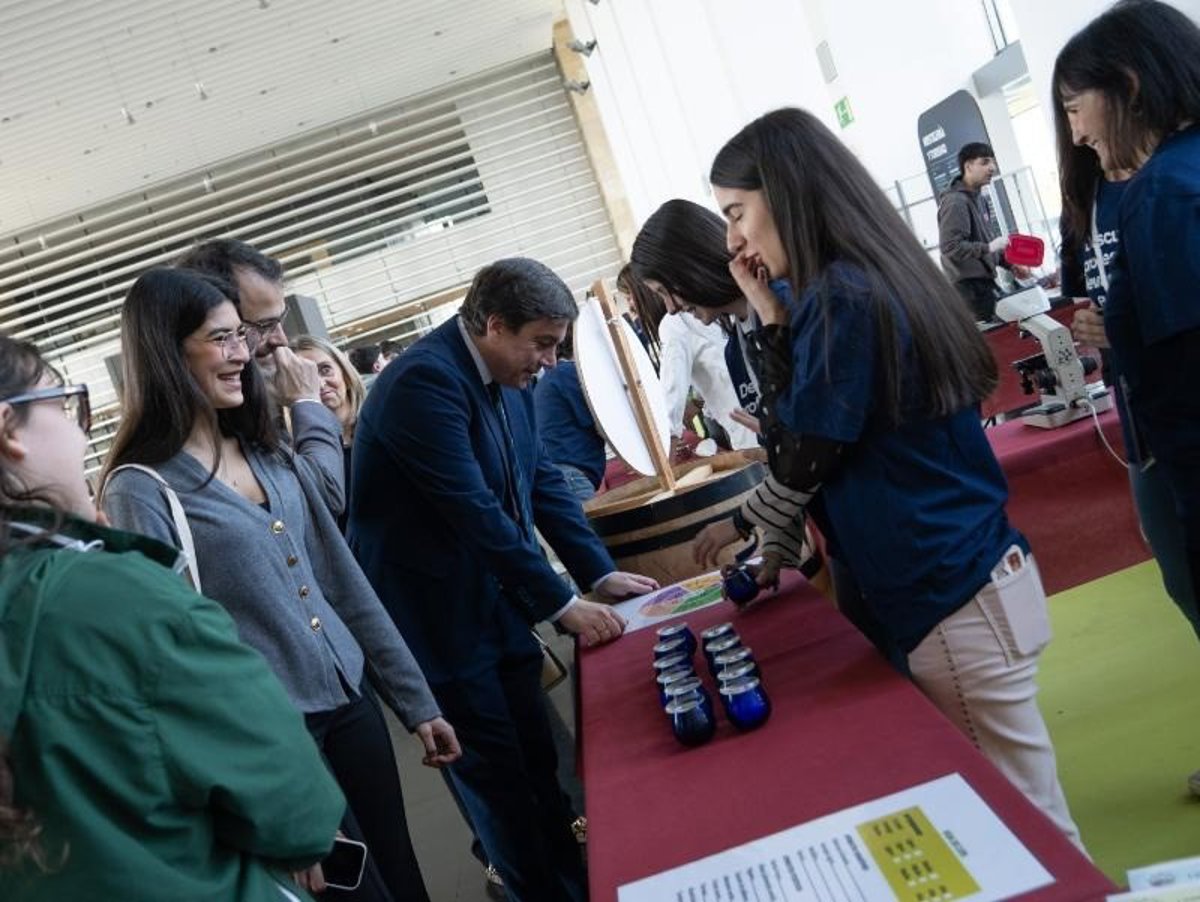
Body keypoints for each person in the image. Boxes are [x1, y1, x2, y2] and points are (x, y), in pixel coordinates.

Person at [703, 106, 1084, 849]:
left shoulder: (844, 297)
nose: (732, 240)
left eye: (737, 212)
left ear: (786, 194)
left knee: (1032, 835)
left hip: (952, 593)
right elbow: (806, 433)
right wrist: (770, 319)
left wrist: (748, 520)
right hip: (969, 580)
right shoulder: (856, 282)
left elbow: (807, 448)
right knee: (1021, 822)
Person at [100, 268, 460, 902]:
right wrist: (253, 801)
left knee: (403, 876)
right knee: (356, 894)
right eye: (222, 339)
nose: (244, 353)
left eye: (243, 335)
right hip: (273, 738)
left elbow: (339, 581)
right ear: (166, 350)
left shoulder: (266, 447)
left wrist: (415, 699)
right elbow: (173, 664)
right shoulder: (141, 487)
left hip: (350, 705)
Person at [348, 257, 657, 902]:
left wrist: (597, 571)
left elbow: (539, 478)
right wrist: (560, 602)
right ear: (492, 325)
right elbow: (472, 510)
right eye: (540, 343)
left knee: (543, 773)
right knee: (502, 793)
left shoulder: (512, 381)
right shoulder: (420, 384)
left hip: (495, 609)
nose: (549, 361)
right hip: (437, 626)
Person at [0, 334, 345, 901]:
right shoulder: (113, 593)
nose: (80, 431)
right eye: (64, 405)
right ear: (10, 430)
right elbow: (297, 808)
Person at [1053, 0, 1200, 795]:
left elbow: (1182, 362)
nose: (1075, 132)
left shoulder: (1164, 193)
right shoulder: (1150, 187)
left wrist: (1127, 334)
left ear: (1129, 86)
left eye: (1079, 107)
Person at [176, 238, 345, 514]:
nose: (280, 339)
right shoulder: (152, 476)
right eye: (264, 326)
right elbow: (327, 496)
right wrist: (307, 402)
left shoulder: (255, 411)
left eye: (280, 320)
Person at [617, 264, 758, 451]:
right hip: (753, 420)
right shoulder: (691, 317)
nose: (630, 305)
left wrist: (665, 456)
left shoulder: (673, 324)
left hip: (749, 432)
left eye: (629, 297)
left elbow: (670, 402)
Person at [937, 142, 1020, 322]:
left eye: (993, 162)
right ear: (968, 166)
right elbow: (950, 247)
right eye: (984, 162)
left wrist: (1010, 264)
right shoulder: (956, 202)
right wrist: (989, 247)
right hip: (969, 292)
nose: (992, 168)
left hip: (984, 285)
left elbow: (985, 244)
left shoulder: (978, 198)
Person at [293, 335, 367, 532]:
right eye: (305, 377)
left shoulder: (378, 423)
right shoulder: (297, 454)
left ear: (345, 374)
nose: (320, 383)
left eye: (325, 370)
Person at [532, 326, 607, 501]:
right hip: (571, 476)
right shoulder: (569, 373)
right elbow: (603, 425)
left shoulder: (552, 378)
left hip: (558, 475)